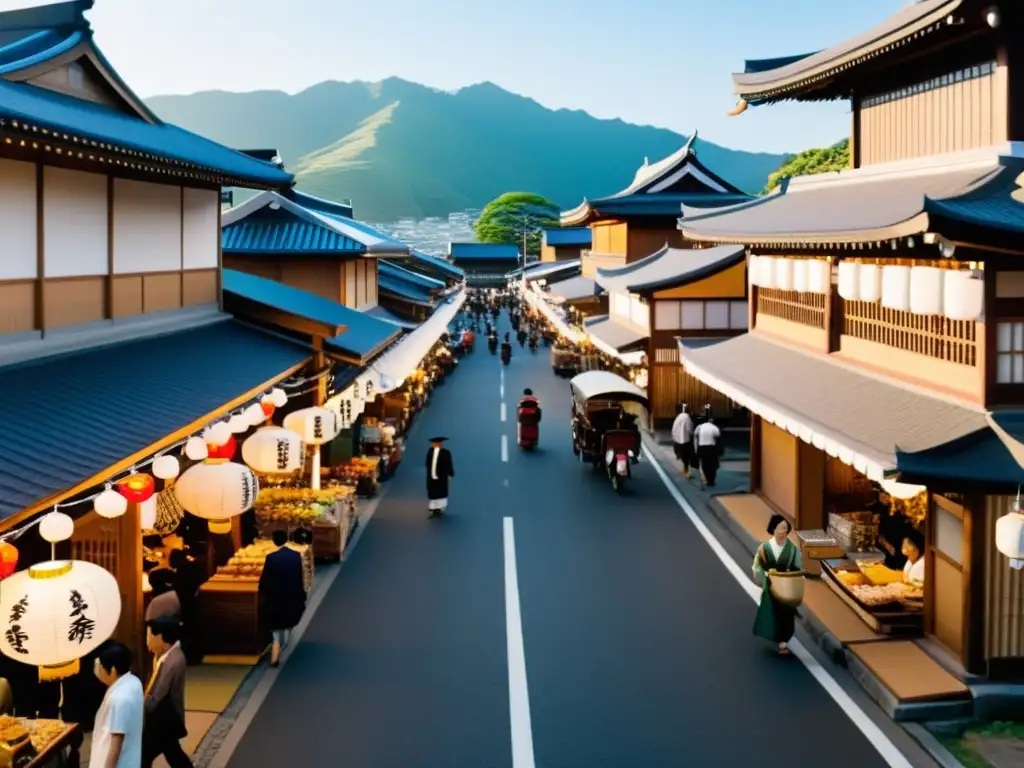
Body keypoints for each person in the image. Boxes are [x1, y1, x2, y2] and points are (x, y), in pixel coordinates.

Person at [752, 514, 803, 656]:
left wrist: (793, 575)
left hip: (787, 585)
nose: (782, 532)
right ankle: (776, 636)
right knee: (772, 612)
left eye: (785, 528)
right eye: (779, 528)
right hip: (771, 585)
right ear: (773, 530)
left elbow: (798, 567)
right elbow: (758, 566)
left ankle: (783, 642)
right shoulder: (765, 548)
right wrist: (765, 575)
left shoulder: (792, 550)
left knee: (787, 613)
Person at [143, 618, 190, 767]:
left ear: (161, 638)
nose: (147, 640)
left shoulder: (173, 661)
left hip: (164, 719)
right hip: (164, 717)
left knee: (144, 754)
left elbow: (157, 694)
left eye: (149, 636)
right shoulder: (165, 655)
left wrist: (141, 709)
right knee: (173, 752)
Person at [92, 642, 144, 768]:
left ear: (113, 670)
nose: (97, 670)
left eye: (100, 667)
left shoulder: (119, 699)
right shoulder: (134, 681)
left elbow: (116, 744)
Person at [259, 529, 306, 666]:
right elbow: (300, 578)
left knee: (275, 629)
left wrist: (263, 593)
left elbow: (264, 581)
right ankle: (280, 647)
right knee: (287, 624)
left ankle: (275, 655)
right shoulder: (296, 555)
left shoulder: (271, 558)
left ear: (274, 541)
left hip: (275, 597)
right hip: (291, 595)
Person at [426, 436, 455, 518]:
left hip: (441, 476)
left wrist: (449, 473)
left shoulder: (445, 452)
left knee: (440, 492)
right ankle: (433, 508)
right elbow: (427, 463)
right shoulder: (430, 451)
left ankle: (439, 508)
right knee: (433, 491)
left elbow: (448, 464)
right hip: (432, 475)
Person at [693, 408, 722, 489]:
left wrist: (696, 449)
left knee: (704, 464)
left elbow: (695, 437)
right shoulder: (714, 428)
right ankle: (711, 480)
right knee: (712, 465)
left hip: (702, 447)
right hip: (711, 447)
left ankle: (706, 479)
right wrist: (719, 451)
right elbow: (718, 439)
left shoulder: (699, 427)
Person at [670, 403, 696, 479]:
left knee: (683, 456)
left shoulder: (679, 417)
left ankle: (685, 469)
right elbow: (689, 429)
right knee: (687, 456)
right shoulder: (686, 417)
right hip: (685, 439)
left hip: (678, 439)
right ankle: (687, 471)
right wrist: (693, 433)